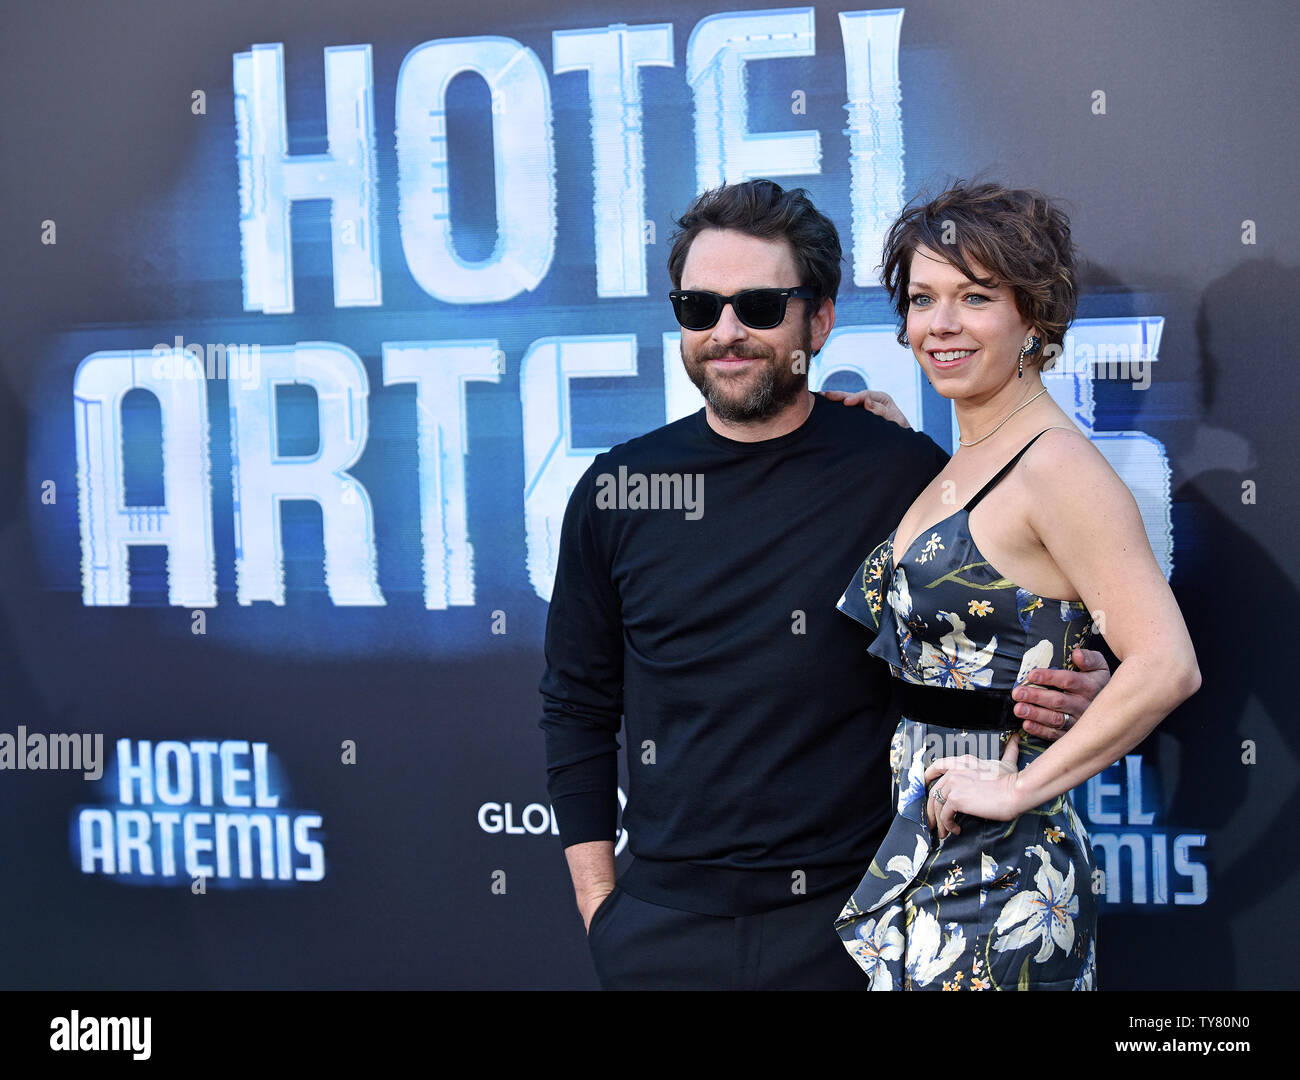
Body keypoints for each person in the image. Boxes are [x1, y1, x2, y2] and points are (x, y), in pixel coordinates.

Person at [538, 179, 1111, 990]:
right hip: (660, 932)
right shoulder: (620, 488)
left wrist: (1086, 682)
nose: (726, 333)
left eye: (760, 307)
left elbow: (1008, 632)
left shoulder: (902, 472)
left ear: (822, 318)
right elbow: (576, 706)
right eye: (699, 308)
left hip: (861, 926)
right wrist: (605, 910)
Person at [832, 181, 1200, 990]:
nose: (941, 325)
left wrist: (1022, 787)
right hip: (930, 845)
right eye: (924, 298)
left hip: (1000, 872)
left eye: (975, 297)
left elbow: (1167, 664)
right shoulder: (968, 454)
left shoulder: (1056, 466)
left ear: (1033, 316)